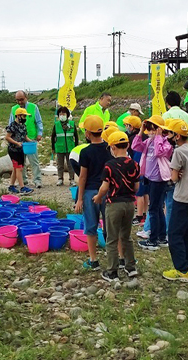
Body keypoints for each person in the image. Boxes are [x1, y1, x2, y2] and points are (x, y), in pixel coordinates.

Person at [92, 130, 140, 282]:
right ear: (127, 145)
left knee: (112, 238)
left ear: (112, 147)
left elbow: (105, 187)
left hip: (114, 204)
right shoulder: (134, 164)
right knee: (126, 237)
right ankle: (130, 267)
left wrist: (98, 197)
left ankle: (112, 272)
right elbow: (137, 187)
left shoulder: (109, 166)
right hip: (130, 204)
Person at [163, 119, 188, 282]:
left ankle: (181, 269)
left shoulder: (178, 152)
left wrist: (171, 179)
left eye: (170, 133)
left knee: (174, 233)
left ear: (177, 136)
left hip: (182, 197)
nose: (168, 136)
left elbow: (173, 177)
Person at [73, 115, 113, 270]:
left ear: (88, 133)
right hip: (107, 191)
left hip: (90, 192)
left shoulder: (85, 152)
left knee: (91, 226)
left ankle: (93, 260)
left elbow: (82, 177)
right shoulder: (110, 149)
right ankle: (113, 258)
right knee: (109, 227)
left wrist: (79, 198)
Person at [133, 115, 173, 251]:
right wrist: (141, 131)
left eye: (153, 129)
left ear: (160, 129)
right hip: (149, 178)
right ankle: (162, 237)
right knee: (157, 209)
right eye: (149, 129)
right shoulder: (149, 142)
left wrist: (158, 137)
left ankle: (153, 240)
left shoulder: (166, 144)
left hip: (159, 180)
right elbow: (135, 146)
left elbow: (158, 152)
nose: (151, 132)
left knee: (153, 210)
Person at [9, 90, 44, 188]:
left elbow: (39, 122)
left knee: (34, 160)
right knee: (21, 162)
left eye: (21, 99)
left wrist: (39, 133)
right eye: (17, 100)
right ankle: (23, 181)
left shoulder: (33, 107)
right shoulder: (13, 109)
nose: (20, 102)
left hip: (31, 139)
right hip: (18, 140)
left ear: (26, 98)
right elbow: (10, 123)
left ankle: (37, 180)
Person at [6, 108, 34, 195]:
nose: (25, 117)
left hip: (21, 149)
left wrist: (31, 141)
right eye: (23, 116)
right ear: (18, 116)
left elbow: (25, 137)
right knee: (19, 168)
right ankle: (22, 187)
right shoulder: (12, 126)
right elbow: (7, 137)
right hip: (13, 150)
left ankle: (11, 186)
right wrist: (16, 143)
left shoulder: (23, 126)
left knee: (16, 168)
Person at [51, 106, 78, 187]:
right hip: (59, 147)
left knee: (70, 164)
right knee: (60, 164)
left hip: (70, 147)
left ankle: (72, 179)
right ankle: (60, 179)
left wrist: (76, 147)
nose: (62, 115)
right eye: (60, 114)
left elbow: (76, 136)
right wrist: (53, 147)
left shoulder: (72, 124)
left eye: (64, 113)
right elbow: (53, 136)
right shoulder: (56, 125)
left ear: (67, 114)